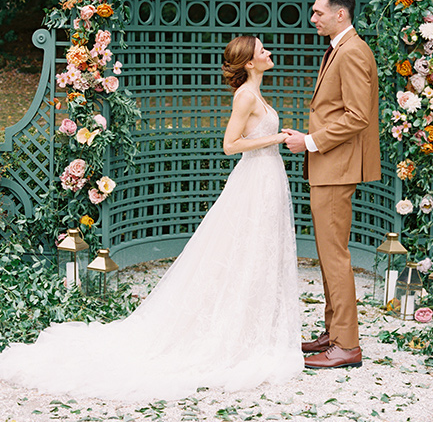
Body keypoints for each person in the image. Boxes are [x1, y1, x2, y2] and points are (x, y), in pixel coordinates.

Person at [0, 36, 303, 402]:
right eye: (262, 50)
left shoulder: (258, 95)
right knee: (246, 250)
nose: (269, 52)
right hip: (254, 178)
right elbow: (230, 144)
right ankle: (236, 330)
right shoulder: (245, 97)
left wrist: (274, 140)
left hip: (268, 179)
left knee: (261, 252)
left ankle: (257, 327)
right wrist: (274, 141)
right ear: (250, 63)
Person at [283, 0, 381, 369]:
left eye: (318, 12)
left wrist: (309, 141)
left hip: (337, 167)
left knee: (335, 256)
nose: (313, 19)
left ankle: (346, 346)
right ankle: (334, 332)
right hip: (331, 166)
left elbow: (357, 116)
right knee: (329, 253)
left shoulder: (354, 51)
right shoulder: (342, 47)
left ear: (340, 14)